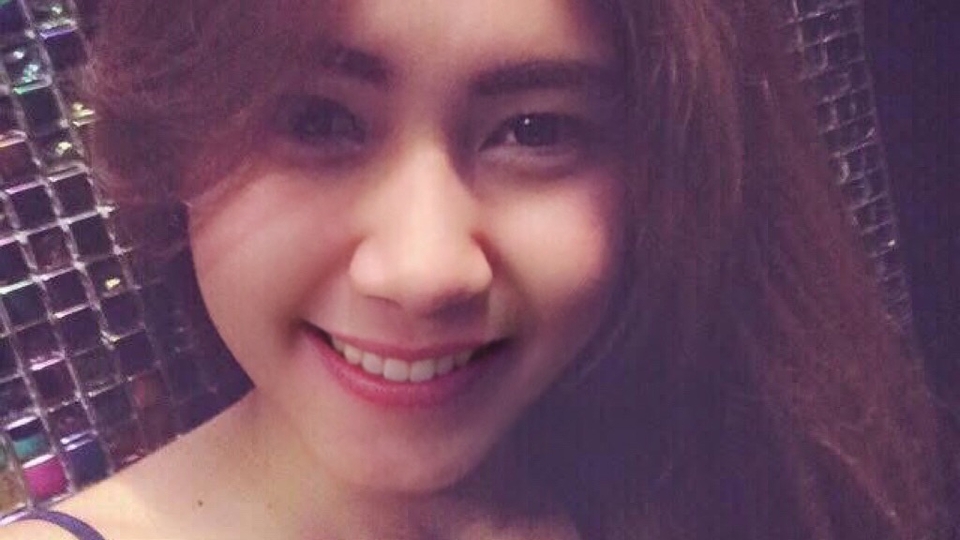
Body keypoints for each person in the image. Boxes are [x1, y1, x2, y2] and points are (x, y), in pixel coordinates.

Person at [0, 0, 950, 538]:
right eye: (317, 119)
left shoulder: (725, 465)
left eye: (534, 129)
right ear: (175, 129)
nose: (424, 270)